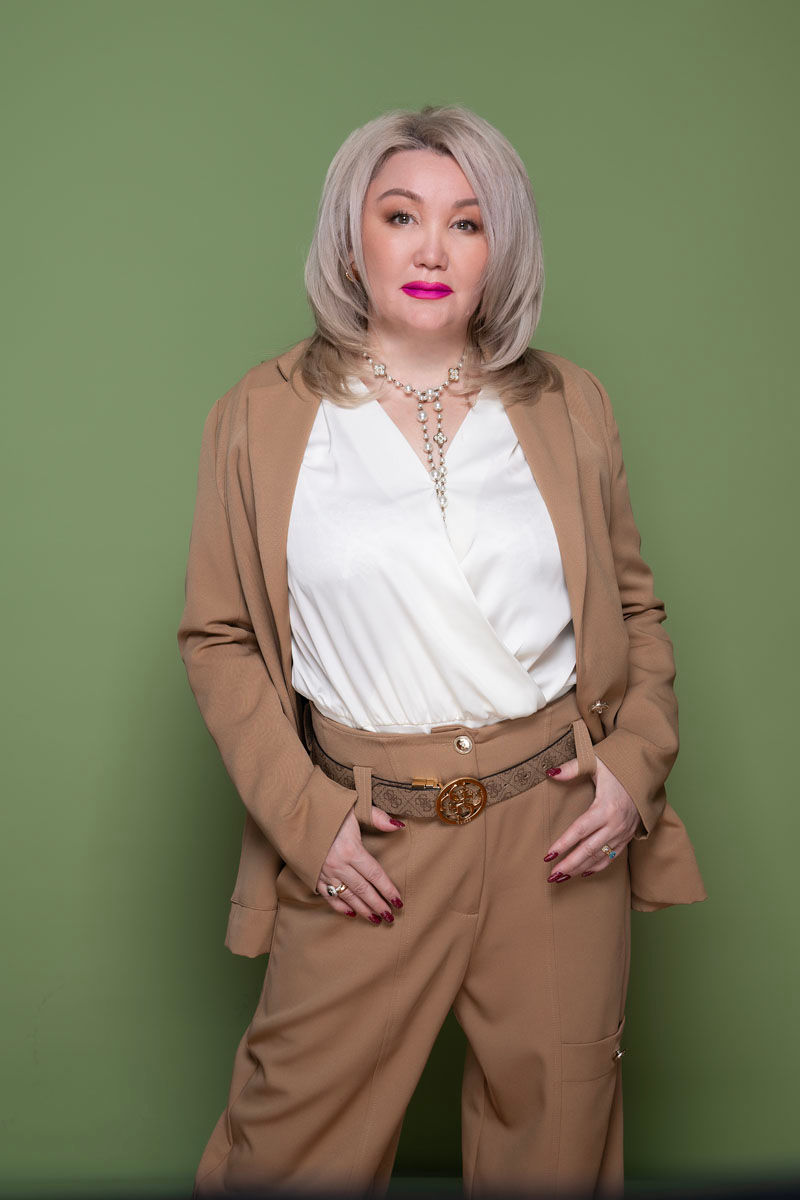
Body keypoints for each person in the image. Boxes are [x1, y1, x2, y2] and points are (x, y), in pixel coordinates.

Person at [177, 104, 707, 1199]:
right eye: (400, 216)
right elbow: (219, 638)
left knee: (556, 1155)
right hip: (370, 836)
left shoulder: (570, 405)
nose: (432, 249)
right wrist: (307, 820)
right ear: (350, 238)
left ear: (498, 249)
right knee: (286, 1157)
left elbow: (636, 614)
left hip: (557, 831)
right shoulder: (261, 416)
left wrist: (632, 767)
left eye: (467, 223)